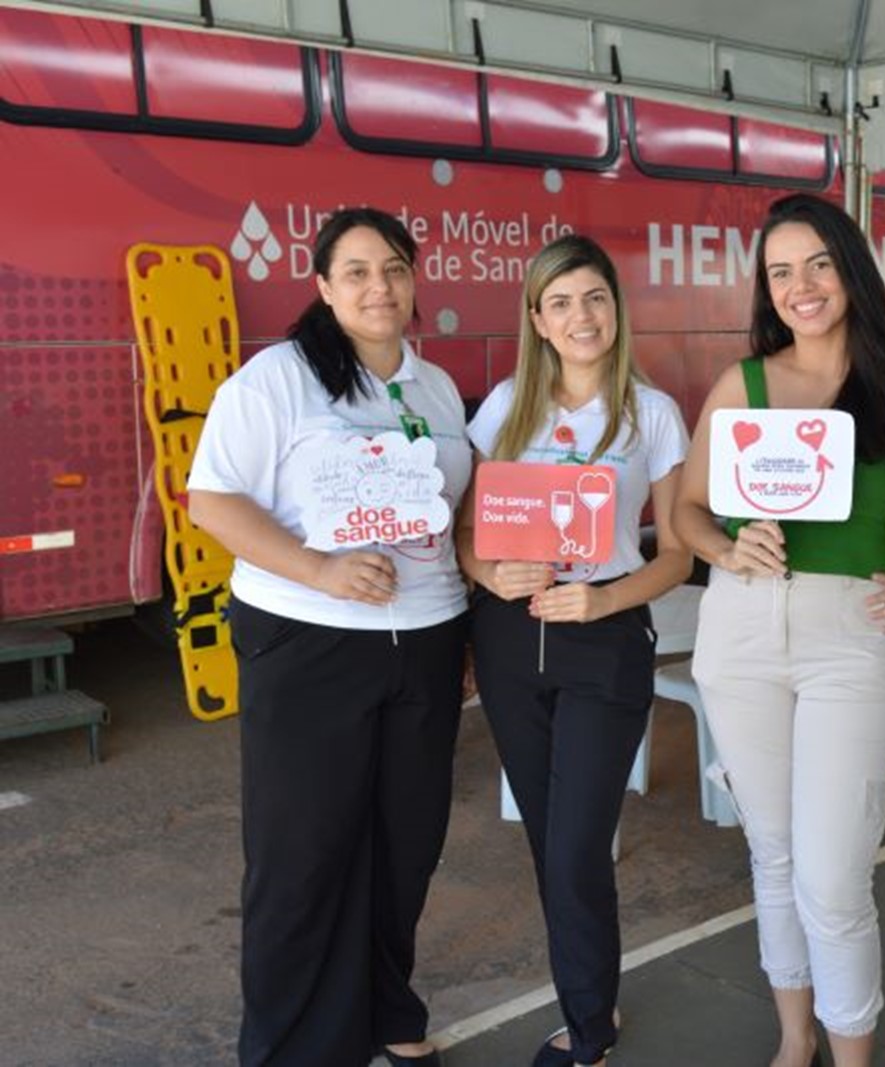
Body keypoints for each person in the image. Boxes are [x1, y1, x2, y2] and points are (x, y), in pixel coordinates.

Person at [187, 207, 470, 1067]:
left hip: (423, 640)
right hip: (309, 639)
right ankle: (290, 1048)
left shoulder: (435, 388)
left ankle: (388, 1008)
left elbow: (456, 510)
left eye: (392, 268)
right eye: (355, 272)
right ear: (322, 286)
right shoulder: (275, 382)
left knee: (406, 844)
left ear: (414, 278)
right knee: (302, 855)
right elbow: (213, 501)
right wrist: (320, 569)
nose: (378, 287)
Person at [673, 193, 885, 1067]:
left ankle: (851, 1058)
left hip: (850, 639)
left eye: (817, 263)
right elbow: (688, 513)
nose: (800, 286)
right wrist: (730, 546)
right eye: (780, 272)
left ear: (850, 268)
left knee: (831, 874)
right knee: (774, 857)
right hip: (741, 634)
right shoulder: (741, 385)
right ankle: (793, 1041)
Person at [456, 235, 691, 1067]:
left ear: (616, 309)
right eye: (561, 302)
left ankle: (588, 1027)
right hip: (514, 640)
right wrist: (490, 570)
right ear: (538, 319)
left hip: (606, 642)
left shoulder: (650, 412)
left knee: (576, 843)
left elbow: (676, 555)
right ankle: (591, 1003)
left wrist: (603, 598)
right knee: (546, 838)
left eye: (594, 297)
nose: (580, 316)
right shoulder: (508, 405)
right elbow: (464, 530)